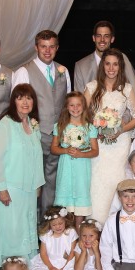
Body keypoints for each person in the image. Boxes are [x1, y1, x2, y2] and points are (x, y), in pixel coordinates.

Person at [12, 30, 71, 211]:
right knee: (32, 179)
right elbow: (17, 105)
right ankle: (29, 219)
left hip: (57, 136)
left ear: (57, 48)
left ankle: (47, 222)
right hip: (33, 135)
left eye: (52, 46)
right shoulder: (24, 71)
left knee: (52, 180)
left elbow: (67, 103)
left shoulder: (63, 71)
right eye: (43, 46)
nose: (47, 50)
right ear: (36, 47)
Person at [84, 48, 135, 223]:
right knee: (97, 182)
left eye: (115, 64)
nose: (111, 68)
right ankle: (94, 223)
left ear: (120, 67)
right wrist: (97, 129)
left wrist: (120, 130)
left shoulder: (126, 89)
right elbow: (82, 116)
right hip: (98, 145)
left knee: (115, 181)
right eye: (108, 64)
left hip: (119, 144)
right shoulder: (92, 87)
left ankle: (116, 223)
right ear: (103, 66)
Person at [0, 84, 45, 267]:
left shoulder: (32, 123)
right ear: (13, 101)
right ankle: (12, 269)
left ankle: (26, 269)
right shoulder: (6, 123)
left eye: (29, 98)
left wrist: (37, 185)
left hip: (28, 188)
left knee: (26, 227)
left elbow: (37, 157)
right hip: (11, 188)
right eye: (20, 98)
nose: (25, 102)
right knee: (12, 230)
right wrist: (1, 188)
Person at [74, 20, 135, 112]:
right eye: (98, 36)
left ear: (112, 39)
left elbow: (131, 97)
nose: (102, 40)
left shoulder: (122, 60)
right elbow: (79, 100)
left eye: (106, 36)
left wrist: (119, 122)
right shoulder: (81, 65)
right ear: (93, 38)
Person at [52, 91, 99, 229]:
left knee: (80, 199)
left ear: (84, 107)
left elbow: (95, 151)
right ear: (66, 107)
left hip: (81, 168)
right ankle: (66, 235)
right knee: (65, 203)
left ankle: (78, 235)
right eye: (71, 105)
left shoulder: (89, 127)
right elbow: (54, 148)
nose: (75, 108)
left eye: (78, 105)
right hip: (66, 167)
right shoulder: (59, 126)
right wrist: (66, 150)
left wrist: (81, 154)